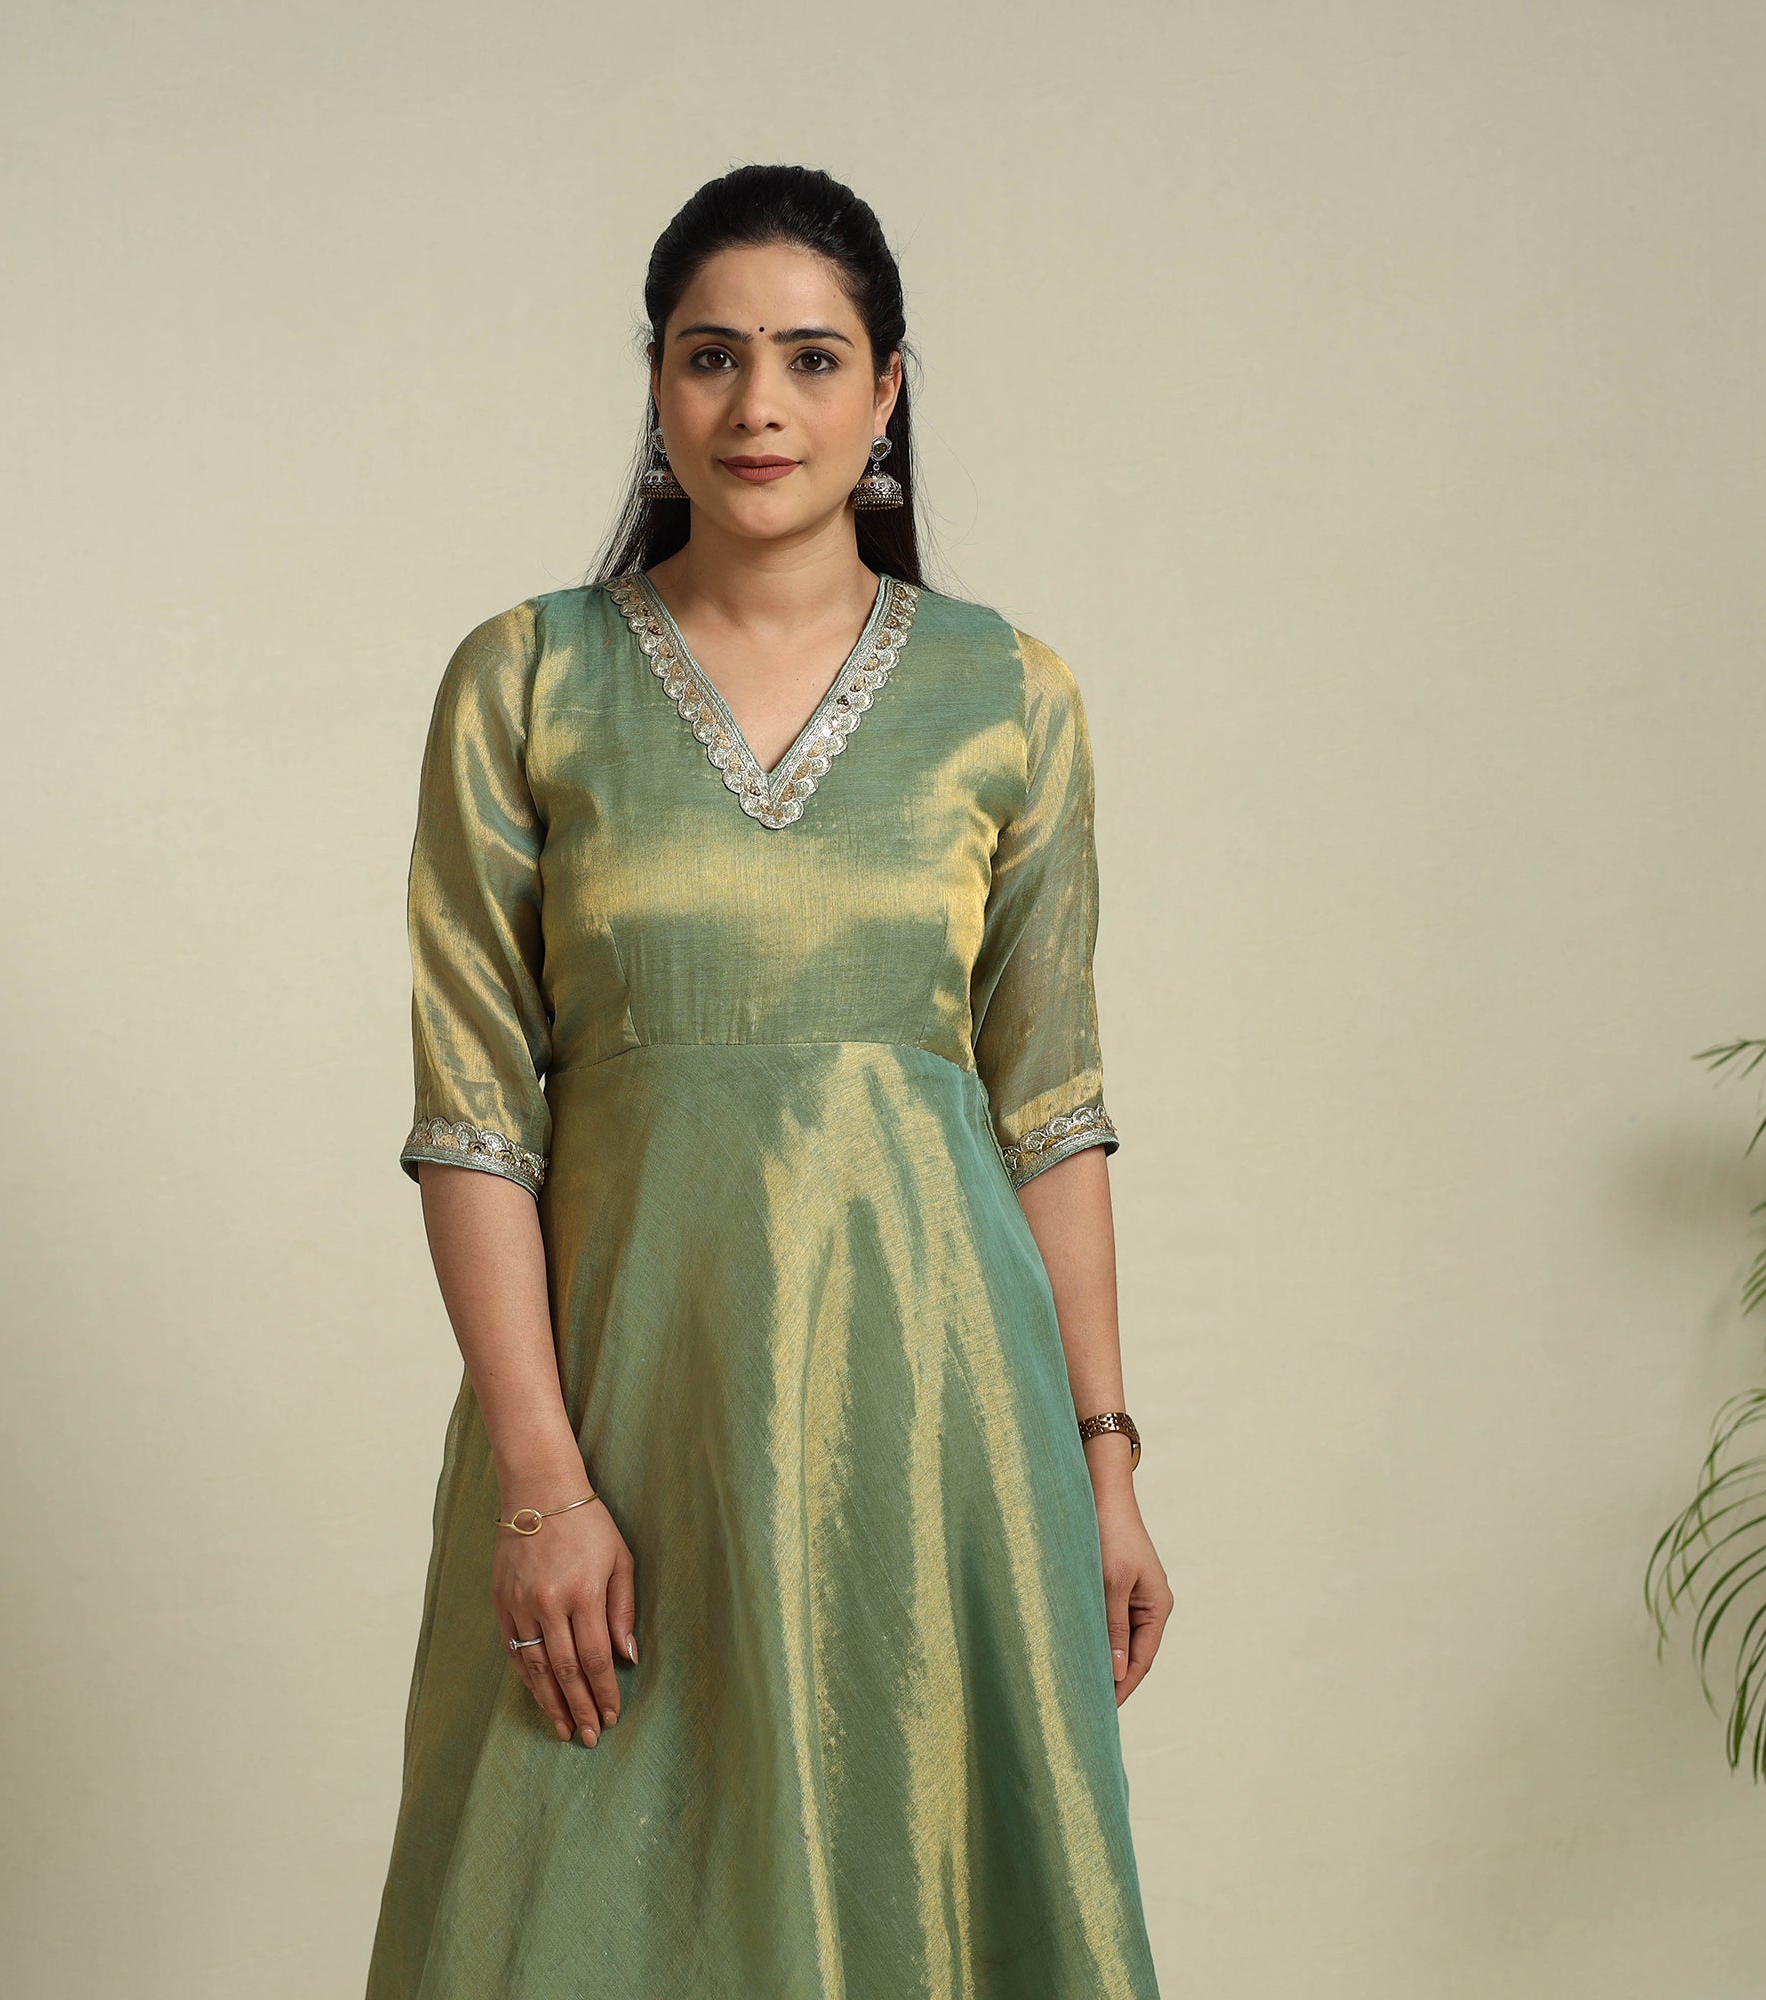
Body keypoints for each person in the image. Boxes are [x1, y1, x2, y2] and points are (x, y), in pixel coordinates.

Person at [364, 162, 1171, 1999]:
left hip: (936, 1422)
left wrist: (1104, 1463)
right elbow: (474, 1117)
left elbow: (1050, 1110)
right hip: (619, 1420)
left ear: (887, 393)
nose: (760, 404)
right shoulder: (528, 681)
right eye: (711, 354)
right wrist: (540, 1484)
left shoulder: (1008, 696)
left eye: (812, 358)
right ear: (657, 383)